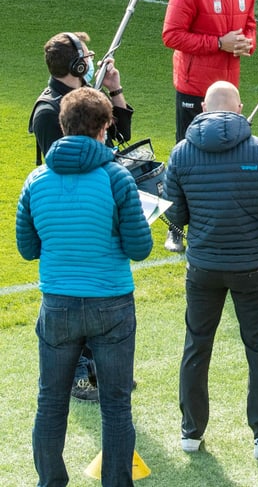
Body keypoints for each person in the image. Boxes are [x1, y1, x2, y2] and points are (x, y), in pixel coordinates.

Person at [17, 87, 153, 487]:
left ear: (62, 125)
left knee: (50, 402)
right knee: (116, 405)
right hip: (111, 303)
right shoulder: (116, 179)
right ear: (105, 127)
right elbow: (140, 248)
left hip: (57, 304)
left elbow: (27, 248)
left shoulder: (36, 179)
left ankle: (51, 482)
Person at [163, 81, 258, 458]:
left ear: (203, 107)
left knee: (196, 346)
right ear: (240, 108)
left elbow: (175, 215)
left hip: (203, 267)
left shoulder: (182, 153)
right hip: (252, 265)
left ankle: (191, 432)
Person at [28, 31, 134, 403]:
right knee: (75, 297)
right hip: (69, 217)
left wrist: (113, 93)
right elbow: (65, 165)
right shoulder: (47, 111)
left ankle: (101, 368)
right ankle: (76, 373)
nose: (91, 59)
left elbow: (119, 136)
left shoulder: (83, 99)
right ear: (75, 64)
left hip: (94, 207)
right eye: (86, 56)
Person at [161, 0, 257, 252]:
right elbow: (171, 35)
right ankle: (175, 228)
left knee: (227, 160)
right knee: (186, 159)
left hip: (229, 91)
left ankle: (215, 225)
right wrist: (218, 43)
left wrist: (247, 44)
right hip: (195, 90)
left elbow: (251, 27)